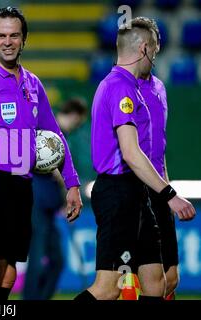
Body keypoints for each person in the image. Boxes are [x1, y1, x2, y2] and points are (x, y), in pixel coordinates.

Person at [0, 6, 83, 301]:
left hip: (23, 186)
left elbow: (55, 136)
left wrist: (72, 183)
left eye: (14, 35)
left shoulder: (33, 84)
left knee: (7, 274)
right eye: (1, 36)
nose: (7, 41)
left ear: (24, 40)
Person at [75, 17, 196, 301]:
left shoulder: (136, 87)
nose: (155, 56)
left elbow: (155, 150)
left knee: (156, 284)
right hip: (119, 191)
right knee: (107, 288)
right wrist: (170, 194)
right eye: (154, 49)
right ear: (143, 48)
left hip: (139, 191)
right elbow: (130, 152)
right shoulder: (120, 87)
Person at [23, 98, 88, 300]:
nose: (77, 126)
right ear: (75, 115)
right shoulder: (48, 131)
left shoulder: (60, 133)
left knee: (56, 260)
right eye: (78, 122)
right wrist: (67, 183)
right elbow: (48, 165)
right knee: (37, 256)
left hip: (48, 209)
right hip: (36, 204)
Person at [138, 18, 179, 300]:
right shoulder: (119, 86)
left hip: (160, 189)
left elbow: (159, 146)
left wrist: (168, 189)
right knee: (124, 279)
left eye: (153, 44)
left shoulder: (160, 88)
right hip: (132, 188)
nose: (150, 50)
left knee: (171, 277)